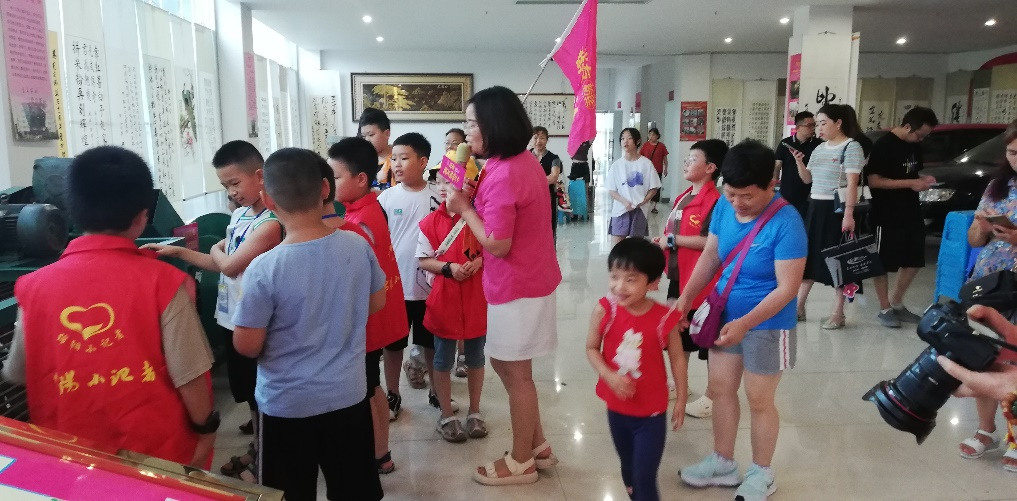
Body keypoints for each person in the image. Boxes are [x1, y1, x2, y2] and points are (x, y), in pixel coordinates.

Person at [3, 146, 217, 468]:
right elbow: (190, 375)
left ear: (72, 211)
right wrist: (206, 429)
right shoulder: (164, 283)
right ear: (142, 217)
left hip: (69, 460)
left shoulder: (32, 287)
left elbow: (17, 372)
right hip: (156, 460)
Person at [232, 148, 385, 501]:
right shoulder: (357, 246)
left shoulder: (264, 268)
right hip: (348, 397)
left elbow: (247, 345)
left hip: (287, 406)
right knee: (354, 491)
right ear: (325, 189)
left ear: (268, 199)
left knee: (291, 492)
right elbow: (377, 302)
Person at [675, 140, 807, 501]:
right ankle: (723, 462)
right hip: (725, 314)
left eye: (746, 196)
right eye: (731, 194)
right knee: (720, 389)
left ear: (770, 184)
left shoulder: (787, 222)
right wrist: (686, 298)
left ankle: (762, 472)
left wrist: (747, 322)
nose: (736, 202)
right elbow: (712, 255)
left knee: (759, 399)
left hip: (768, 323)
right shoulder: (724, 206)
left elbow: (787, 289)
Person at [142, 140, 282, 479]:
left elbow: (230, 266)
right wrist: (179, 253)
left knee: (264, 393)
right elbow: (219, 263)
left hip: (256, 323)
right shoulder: (238, 216)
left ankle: (268, 459)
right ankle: (260, 445)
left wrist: (220, 250)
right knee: (248, 393)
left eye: (235, 183)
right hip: (231, 318)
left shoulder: (271, 223)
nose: (231, 192)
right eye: (225, 186)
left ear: (260, 176)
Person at [445, 85, 562, 485]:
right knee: (507, 364)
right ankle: (538, 446)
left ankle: (521, 461)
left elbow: (497, 242)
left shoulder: (506, 172)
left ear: (494, 125)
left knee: (516, 372)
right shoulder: (513, 162)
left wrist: (464, 208)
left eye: (472, 124)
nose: (467, 132)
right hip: (525, 279)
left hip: (519, 284)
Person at [329, 137, 409, 475]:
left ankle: (378, 453)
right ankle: (380, 451)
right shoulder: (368, 207)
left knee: (367, 386)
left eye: (335, 176)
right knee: (370, 383)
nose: (329, 183)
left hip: (370, 319)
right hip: (381, 312)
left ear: (361, 179)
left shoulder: (357, 223)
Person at [587, 238, 687, 501]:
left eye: (631, 279)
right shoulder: (605, 310)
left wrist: (682, 397)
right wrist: (608, 376)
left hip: (651, 412)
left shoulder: (664, 317)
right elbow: (591, 348)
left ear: (653, 283)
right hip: (616, 407)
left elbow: (677, 358)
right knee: (629, 468)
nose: (619, 286)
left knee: (645, 476)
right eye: (614, 276)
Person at [956, 120, 1017, 471]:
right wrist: (981, 227)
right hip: (991, 281)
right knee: (984, 355)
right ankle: (986, 429)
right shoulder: (998, 185)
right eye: (1012, 152)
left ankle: (1015, 435)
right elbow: (975, 241)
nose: (1016, 159)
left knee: (1014, 362)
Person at [657, 139, 726, 419]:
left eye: (693, 158)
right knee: (676, 332)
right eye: (687, 158)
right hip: (679, 275)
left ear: (710, 167)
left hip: (704, 281)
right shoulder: (684, 197)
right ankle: (677, 383)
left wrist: (673, 239)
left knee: (710, 340)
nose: (686, 163)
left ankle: (712, 396)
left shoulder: (715, 201)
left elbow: (712, 243)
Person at [378, 132, 445, 418]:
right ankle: (393, 394)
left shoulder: (438, 196)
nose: (396, 164)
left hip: (430, 287)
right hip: (396, 287)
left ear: (423, 162)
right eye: (393, 158)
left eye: (404, 158)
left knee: (431, 343)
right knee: (393, 345)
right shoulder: (386, 198)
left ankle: (437, 392)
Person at [417, 172, 488, 443]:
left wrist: (480, 262)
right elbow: (424, 260)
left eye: (457, 184)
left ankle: (475, 411)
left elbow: (493, 249)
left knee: (476, 357)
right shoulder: (429, 223)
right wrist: (449, 268)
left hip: (476, 298)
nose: (448, 189)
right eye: (443, 183)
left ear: (471, 188)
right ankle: (446, 414)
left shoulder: (479, 219)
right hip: (444, 300)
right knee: (443, 359)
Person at [793, 104, 866, 329]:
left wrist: (849, 214)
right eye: (817, 124)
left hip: (837, 210)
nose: (819, 128)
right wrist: (799, 162)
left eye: (823, 123)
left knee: (840, 259)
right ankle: (799, 307)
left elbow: (852, 184)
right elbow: (807, 179)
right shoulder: (819, 148)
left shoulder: (852, 147)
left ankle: (838, 313)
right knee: (810, 258)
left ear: (839, 123)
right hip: (815, 208)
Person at [867, 107, 939, 328]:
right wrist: (910, 183)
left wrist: (923, 179)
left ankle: (897, 302)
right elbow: (874, 181)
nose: (922, 139)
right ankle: (884, 308)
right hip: (886, 212)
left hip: (911, 209)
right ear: (908, 126)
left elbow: (912, 173)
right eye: (920, 135)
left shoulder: (913, 145)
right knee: (882, 262)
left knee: (914, 259)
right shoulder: (883, 146)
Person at [608, 128, 661, 245]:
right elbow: (612, 190)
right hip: (621, 210)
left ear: (638, 141)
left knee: (636, 246)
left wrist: (644, 201)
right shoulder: (616, 165)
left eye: (629, 138)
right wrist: (625, 203)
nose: (625, 141)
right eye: (622, 138)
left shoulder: (646, 164)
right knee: (618, 247)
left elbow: (654, 188)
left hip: (640, 210)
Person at [774, 112, 821, 220]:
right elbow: (777, 166)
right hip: (787, 192)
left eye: (814, 125)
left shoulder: (818, 145)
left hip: (809, 194)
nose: (813, 128)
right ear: (798, 127)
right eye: (809, 125)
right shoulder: (785, 143)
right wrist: (773, 183)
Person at [531, 126, 563, 242]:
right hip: (528, 199)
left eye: (542, 138)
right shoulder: (525, 157)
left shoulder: (554, 158)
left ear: (547, 140)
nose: (538, 141)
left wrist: (532, 182)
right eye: (535, 138)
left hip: (548, 198)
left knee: (549, 228)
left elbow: (554, 177)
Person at [359, 107, 396, 190]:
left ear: (387, 134)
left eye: (371, 135)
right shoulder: (362, 161)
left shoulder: (398, 159)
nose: (367, 140)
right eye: (363, 136)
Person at [639, 127, 670, 214]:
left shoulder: (661, 146)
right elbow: (640, 157)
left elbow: (665, 159)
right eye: (649, 134)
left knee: (656, 187)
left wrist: (666, 169)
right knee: (646, 187)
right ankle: (645, 203)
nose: (651, 136)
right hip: (646, 170)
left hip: (657, 170)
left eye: (653, 135)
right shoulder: (645, 145)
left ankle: (654, 206)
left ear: (657, 136)